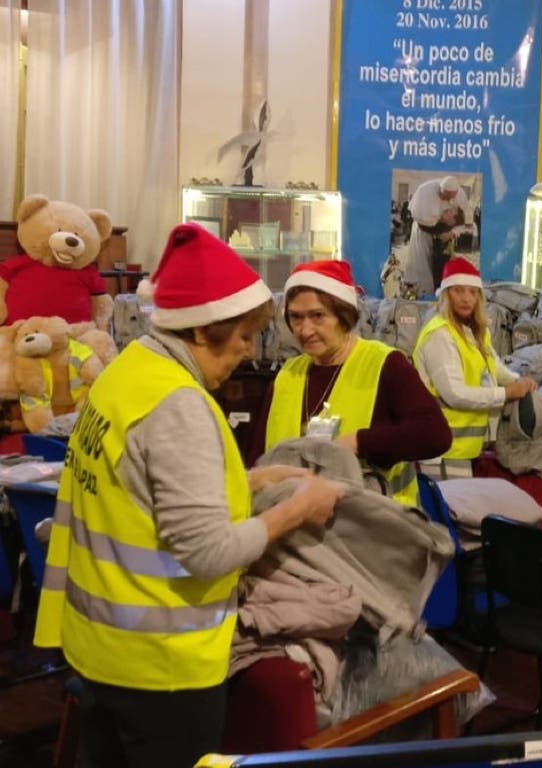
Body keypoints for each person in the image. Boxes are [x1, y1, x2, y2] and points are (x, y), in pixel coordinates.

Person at [33, 223, 343, 768]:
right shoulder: (179, 405)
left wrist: (249, 482)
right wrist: (298, 509)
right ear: (203, 331)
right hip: (162, 665)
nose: (249, 352)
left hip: (100, 646)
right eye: (244, 336)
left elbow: (136, 493)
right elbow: (208, 553)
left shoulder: (128, 374)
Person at [248, 259, 451, 506]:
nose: (305, 329)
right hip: (294, 525)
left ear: (344, 315)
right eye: (296, 318)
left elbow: (435, 434)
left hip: (372, 528)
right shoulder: (287, 375)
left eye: (318, 316)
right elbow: (258, 455)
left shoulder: (385, 364)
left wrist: (359, 441)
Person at [412, 258, 537, 478]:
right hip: (441, 449)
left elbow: (493, 368)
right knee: (450, 511)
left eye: (472, 292)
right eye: (458, 291)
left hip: (462, 449)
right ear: (445, 294)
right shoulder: (440, 334)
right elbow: (455, 394)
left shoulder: (476, 333)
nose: (466, 298)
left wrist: (520, 382)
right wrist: (507, 393)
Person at [403, 175, 473, 298]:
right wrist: (440, 220)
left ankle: (441, 292)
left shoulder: (459, 195)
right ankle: (424, 294)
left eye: (451, 197)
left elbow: (467, 221)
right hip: (423, 233)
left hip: (445, 237)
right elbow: (421, 220)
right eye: (445, 196)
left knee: (442, 265)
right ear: (441, 190)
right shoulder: (424, 191)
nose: (446, 200)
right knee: (422, 266)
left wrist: (451, 232)